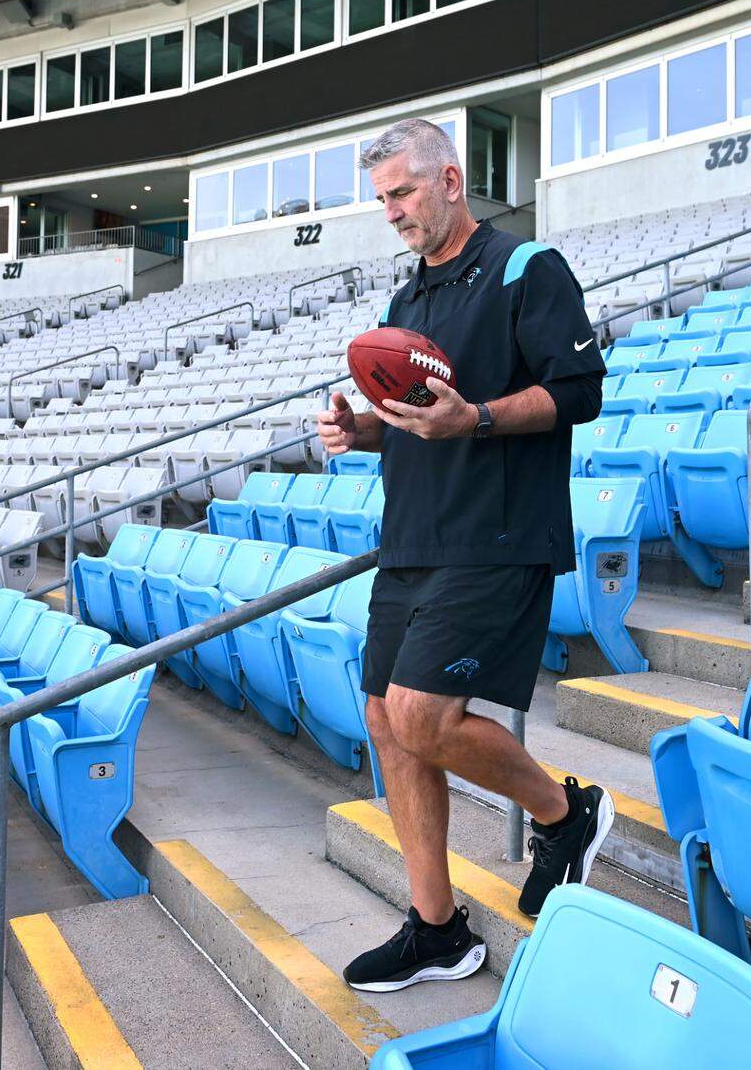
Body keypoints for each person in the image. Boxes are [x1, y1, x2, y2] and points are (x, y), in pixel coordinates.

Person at [316, 118, 610, 993]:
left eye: (402, 192)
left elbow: (580, 392)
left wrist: (475, 417)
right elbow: (417, 422)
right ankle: (438, 931)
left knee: (419, 715)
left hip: (498, 533)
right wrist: (362, 430)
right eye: (382, 200)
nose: (393, 212)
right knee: (382, 718)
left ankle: (564, 815)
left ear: (451, 180)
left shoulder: (527, 269)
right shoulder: (401, 305)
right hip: (412, 533)